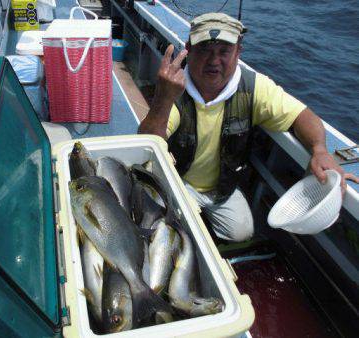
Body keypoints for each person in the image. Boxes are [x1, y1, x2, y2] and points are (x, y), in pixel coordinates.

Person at [138, 13, 358, 242]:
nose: (214, 61)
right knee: (169, 225)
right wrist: (163, 98)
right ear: (188, 50)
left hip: (220, 191)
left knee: (241, 232)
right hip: (177, 181)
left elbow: (302, 115)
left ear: (238, 53)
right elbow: (146, 146)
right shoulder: (175, 88)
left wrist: (319, 149)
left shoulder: (254, 88)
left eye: (224, 51)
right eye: (204, 50)